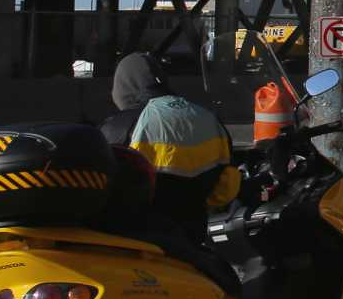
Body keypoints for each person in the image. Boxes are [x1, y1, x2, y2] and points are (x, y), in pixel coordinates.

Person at [101, 52, 243, 256]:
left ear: (123, 87)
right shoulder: (208, 118)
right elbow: (225, 188)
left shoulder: (120, 125)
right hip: (193, 239)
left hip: (137, 243)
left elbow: (102, 185)